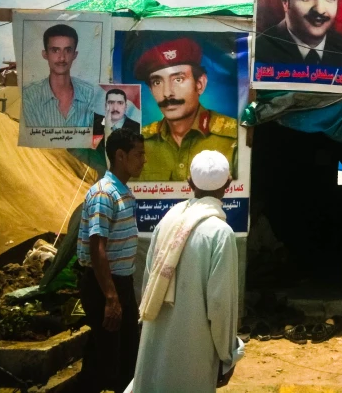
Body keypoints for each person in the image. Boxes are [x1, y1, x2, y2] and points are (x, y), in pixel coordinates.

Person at [132, 150, 243, 392]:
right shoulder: (220, 233)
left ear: (189, 183)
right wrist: (227, 356)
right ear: (228, 184)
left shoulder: (167, 222)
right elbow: (221, 306)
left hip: (156, 342)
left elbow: (148, 283)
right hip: (196, 350)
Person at [76, 128, 145, 393]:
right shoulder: (105, 194)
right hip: (104, 284)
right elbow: (97, 248)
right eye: (139, 154)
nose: (144, 160)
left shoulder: (123, 192)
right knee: (111, 358)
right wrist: (111, 298)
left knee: (116, 352)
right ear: (120, 155)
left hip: (119, 283)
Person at [134, 37, 238, 181]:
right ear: (151, 90)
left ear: (200, 84)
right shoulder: (139, 142)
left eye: (178, 79)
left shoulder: (233, 137)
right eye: (157, 82)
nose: (167, 93)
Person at [23, 23, 96, 127]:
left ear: (75, 55)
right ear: (45, 54)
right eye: (55, 50)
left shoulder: (89, 93)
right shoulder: (29, 95)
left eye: (68, 50)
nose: (62, 58)